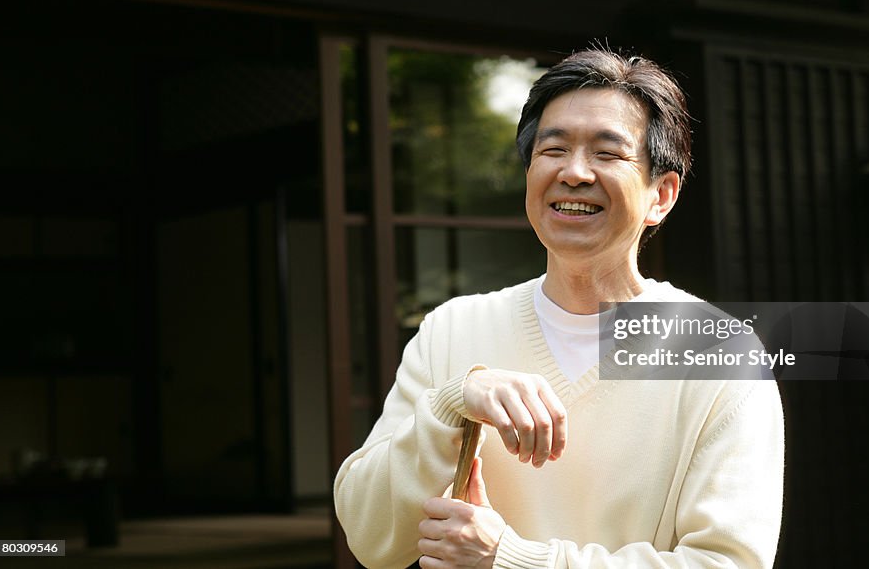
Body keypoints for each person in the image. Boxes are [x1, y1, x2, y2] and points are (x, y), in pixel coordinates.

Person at [333, 47, 785, 568]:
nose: (573, 172)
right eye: (553, 149)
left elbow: (727, 563)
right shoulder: (453, 330)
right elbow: (369, 538)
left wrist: (510, 558)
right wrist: (449, 404)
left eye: (607, 153)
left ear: (661, 195)